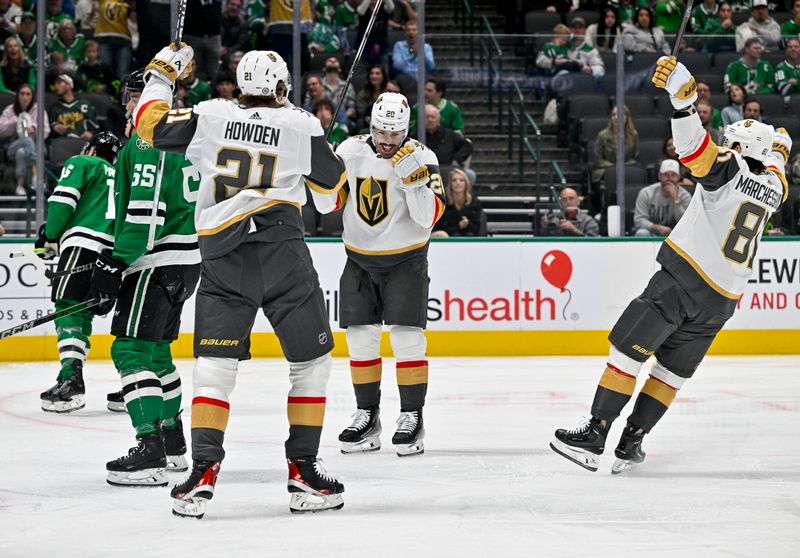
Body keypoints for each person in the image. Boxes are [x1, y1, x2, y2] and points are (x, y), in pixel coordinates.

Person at [130, 46, 348, 517]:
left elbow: (148, 126)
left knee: (214, 367)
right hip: (282, 254)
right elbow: (332, 202)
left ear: (239, 83)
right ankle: (303, 471)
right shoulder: (302, 124)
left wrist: (161, 75)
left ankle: (202, 472)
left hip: (224, 257)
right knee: (310, 363)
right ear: (283, 86)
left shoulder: (211, 115)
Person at [551, 56, 789, 474]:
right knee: (670, 373)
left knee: (626, 353)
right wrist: (779, 150)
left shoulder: (730, 171)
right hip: (721, 302)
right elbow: (776, 166)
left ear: (738, 150)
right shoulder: (773, 186)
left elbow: (694, 151)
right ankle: (631, 442)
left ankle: (596, 434)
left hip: (682, 282)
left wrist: (684, 101)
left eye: (730, 141)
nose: (725, 144)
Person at [90, 69, 201, 485]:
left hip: (155, 259)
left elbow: (143, 214)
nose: (130, 103)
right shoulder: (185, 135)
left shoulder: (145, 139)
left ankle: (149, 448)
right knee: (157, 353)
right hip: (188, 260)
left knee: (130, 351)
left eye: (137, 95)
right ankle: (173, 443)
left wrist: (117, 262)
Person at [333, 92, 445, 457]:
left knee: (407, 340)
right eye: (381, 131)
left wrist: (414, 183)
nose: (386, 140)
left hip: (406, 261)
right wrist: (320, 166)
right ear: (371, 125)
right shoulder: (349, 151)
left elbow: (428, 219)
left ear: (406, 131)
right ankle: (367, 414)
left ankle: (412, 415)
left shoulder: (424, 157)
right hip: (359, 260)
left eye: (394, 134)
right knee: (361, 340)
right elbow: (326, 204)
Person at [34, 131, 121, 413]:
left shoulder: (84, 162)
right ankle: (137, 385)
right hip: (115, 253)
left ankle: (71, 379)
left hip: (83, 244)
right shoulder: (125, 175)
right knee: (109, 317)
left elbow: (63, 201)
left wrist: (50, 234)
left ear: (92, 150)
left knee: (69, 308)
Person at [0, 84, 50, 196]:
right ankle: (36, 173)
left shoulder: (39, 109)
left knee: (22, 152)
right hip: (13, 146)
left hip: (37, 147)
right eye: (22, 93)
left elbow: (46, 131)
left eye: (28, 94)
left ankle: (19, 186)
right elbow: (1, 130)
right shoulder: (10, 110)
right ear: (18, 95)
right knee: (26, 141)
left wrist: (35, 128)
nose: (25, 97)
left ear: (32, 96)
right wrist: (15, 121)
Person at [633, 159, 692, 236]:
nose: (669, 179)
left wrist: (676, 199)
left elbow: (687, 224)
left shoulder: (685, 196)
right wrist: (656, 227)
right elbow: (639, 220)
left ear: (678, 177)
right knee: (641, 233)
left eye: (673, 175)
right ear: (659, 176)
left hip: (676, 236)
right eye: (665, 175)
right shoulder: (646, 193)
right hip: (652, 233)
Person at [591, 105, 639, 185]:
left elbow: (635, 157)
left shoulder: (633, 135)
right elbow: (597, 159)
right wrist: (614, 167)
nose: (616, 117)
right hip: (606, 170)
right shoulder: (602, 135)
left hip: (626, 169)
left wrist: (624, 166)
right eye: (613, 115)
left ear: (626, 118)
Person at [420, 104, 473, 171]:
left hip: (447, 169)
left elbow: (468, 145)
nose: (430, 120)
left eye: (433, 117)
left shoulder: (449, 134)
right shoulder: (416, 135)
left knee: (470, 175)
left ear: (438, 120)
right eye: (427, 117)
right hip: (424, 171)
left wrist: (456, 160)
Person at [433, 168, 484, 237]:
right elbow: (438, 229)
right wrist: (458, 226)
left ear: (466, 184)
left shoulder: (474, 203)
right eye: (454, 180)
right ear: (450, 184)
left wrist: (468, 224)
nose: (458, 183)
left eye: (461, 180)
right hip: (447, 240)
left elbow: (478, 230)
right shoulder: (443, 203)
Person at [48, 74, 97, 139]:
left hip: (82, 142)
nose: (56, 86)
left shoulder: (85, 105)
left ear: (69, 85)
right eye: (55, 84)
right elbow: (49, 126)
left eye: (59, 83)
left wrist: (91, 133)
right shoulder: (54, 108)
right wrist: (54, 127)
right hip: (62, 143)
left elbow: (95, 126)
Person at [183, 0, 222, 82]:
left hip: (213, 38)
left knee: (213, 68)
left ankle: (212, 89)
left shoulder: (217, 3)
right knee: (194, 66)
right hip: (193, 37)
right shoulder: (189, 3)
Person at [95, 0, 132, 80]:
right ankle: (106, 90)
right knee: (104, 69)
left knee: (123, 73)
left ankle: (124, 91)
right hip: (105, 39)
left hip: (123, 40)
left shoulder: (126, 2)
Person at [321, 56, 357, 128]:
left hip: (343, 121)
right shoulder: (318, 85)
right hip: (322, 119)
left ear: (340, 69)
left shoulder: (347, 86)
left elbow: (352, 108)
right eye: (330, 60)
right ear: (324, 68)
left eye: (335, 61)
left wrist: (342, 117)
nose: (333, 61)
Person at [356, 64, 387, 130]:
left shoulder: (387, 93)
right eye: (372, 73)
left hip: (385, 121)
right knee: (359, 122)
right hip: (367, 121)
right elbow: (361, 112)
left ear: (383, 77)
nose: (374, 76)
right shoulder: (362, 94)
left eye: (377, 73)